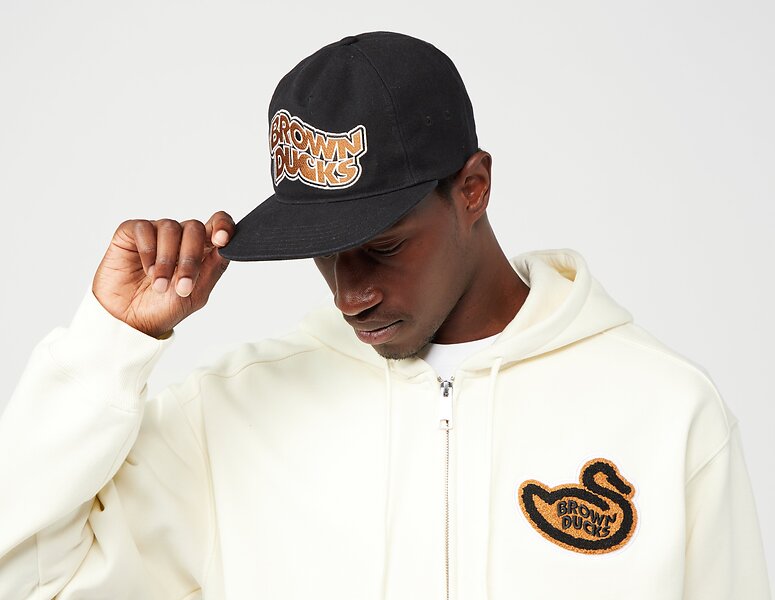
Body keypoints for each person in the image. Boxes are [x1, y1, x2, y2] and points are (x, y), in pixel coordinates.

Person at [0, 31, 769, 600]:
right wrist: (110, 344)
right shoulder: (228, 416)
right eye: (323, 253)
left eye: (382, 246)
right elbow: (29, 577)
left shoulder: (663, 412)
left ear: (472, 188)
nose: (349, 293)